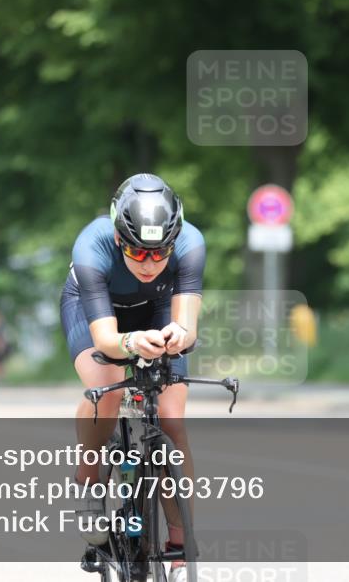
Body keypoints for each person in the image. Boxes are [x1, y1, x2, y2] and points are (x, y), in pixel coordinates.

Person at [60, 173, 204, 577]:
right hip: (99, 310)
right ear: (119, 237)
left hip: (158, 308)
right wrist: (129, 345)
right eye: (137, 252)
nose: (150, 263)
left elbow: (188, 325)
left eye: (160, 254)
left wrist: (177, 335)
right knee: (105, 391)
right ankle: (89, 484)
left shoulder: (191, 244)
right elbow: (105, 339)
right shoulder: (92, 244)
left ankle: (179, 543)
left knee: (173, 422)